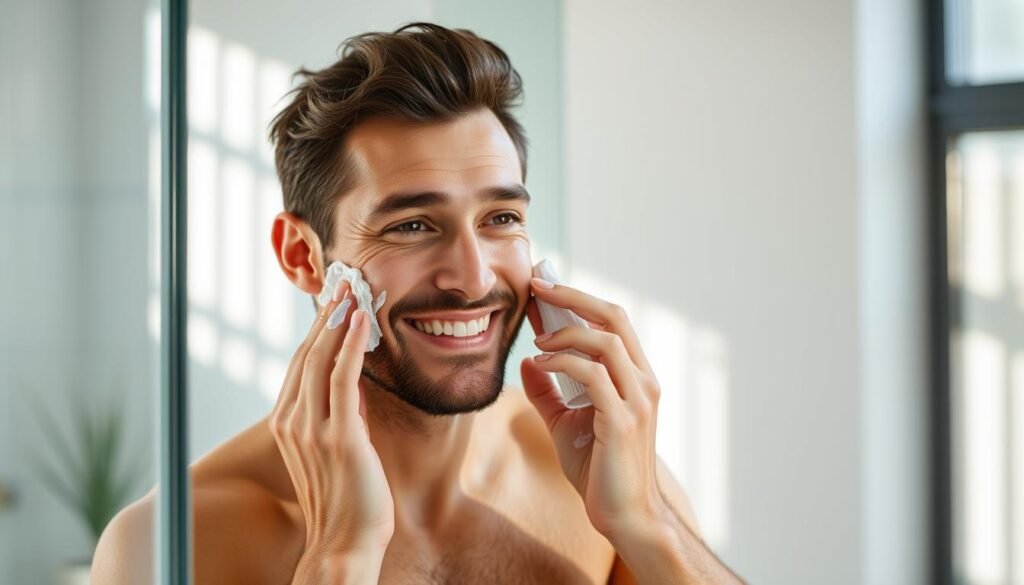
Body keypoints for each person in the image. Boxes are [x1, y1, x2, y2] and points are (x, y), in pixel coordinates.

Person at [91, 22, 744, 584]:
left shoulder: (591, 470)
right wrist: (338, 558)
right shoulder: (170, 542)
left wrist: (648, 524)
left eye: (501, 218)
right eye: (411, 225)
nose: (472, 276)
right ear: (303, 257)